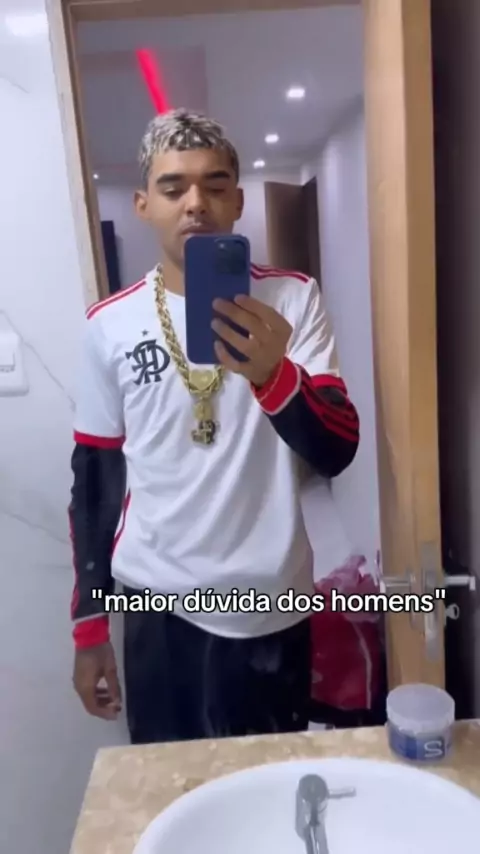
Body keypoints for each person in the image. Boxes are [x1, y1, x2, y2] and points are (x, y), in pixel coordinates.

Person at [69, 108, 359, 744]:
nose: (195, 202)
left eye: (215, 184)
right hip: (157, 605)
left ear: (238, 201)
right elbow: (95, 482)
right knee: (172, 785)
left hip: (270, 602)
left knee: (270, 786)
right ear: (144, 205)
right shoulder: (109, 325)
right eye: (173, 187)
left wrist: (275, 376)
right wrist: (89, 626)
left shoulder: (293, 299)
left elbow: (336, 450)